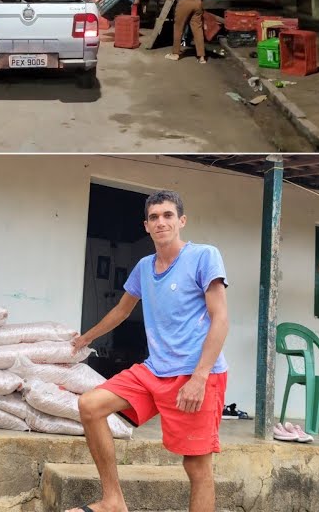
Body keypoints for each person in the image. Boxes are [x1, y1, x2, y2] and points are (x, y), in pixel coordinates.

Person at [66, 190, 229, 512]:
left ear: (181, 220)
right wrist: (87, 338)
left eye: (168, 215)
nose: (161, 222)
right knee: (91, 405)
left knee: (196, 467)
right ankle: (113, 501)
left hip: (195, 373)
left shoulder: (204, 256)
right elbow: (122, 311)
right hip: (155, 370)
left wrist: (199, 377)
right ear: (146, 225)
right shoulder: (144, 266)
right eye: (154, 217)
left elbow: (220, 318)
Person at [167, 0, 208, 64]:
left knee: (179, 27)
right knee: (197, 29)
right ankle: (202, 57)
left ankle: (175, 54)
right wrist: (199, 0)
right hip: (197, 2)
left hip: (185, 2)